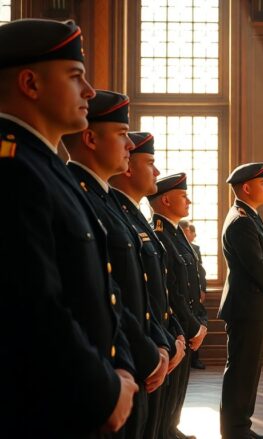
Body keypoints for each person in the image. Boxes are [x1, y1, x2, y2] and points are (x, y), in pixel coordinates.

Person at [0, 18, 137, 436]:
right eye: (76, 77)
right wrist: (103, 390)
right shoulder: (14, 169)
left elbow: (101, 289)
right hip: (46, 409)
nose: (90, 92)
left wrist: (120, 369)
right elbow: (32, 304)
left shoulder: (46, 166)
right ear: (30, 83)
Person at [64, 90, 169, 439]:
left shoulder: (109, 202)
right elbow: (100, 294)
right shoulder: (79, 194)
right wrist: (138, 357)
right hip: (110, 369)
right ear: (90, 138)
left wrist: (162, 344)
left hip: (132, 359)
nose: (129, 145)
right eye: (122, 135)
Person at [111, 131, 187, 439]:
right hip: (134, 357)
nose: (157, 171)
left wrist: (173, 338)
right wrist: (154, 350)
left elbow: (158, 292)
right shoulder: (116, 213)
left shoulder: (135, 216)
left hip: (155, 348)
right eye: (151, 162)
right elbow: (117, 295)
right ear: (128, 168)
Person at [219, 162, 263, 439]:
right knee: (241, 373)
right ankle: (235, 431)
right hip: (247, 307)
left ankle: (241, 428)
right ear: (246, 187)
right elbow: (255, 266)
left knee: (247, 372)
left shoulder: (250, 216)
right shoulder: (241, 221)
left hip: (254, 306)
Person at [148, 173, 208, 439]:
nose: (189, 201)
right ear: (166, 200)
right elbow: (171, 290)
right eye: (183, 196)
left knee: (180, 387)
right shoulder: (160, 235)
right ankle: (165, 431)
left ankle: (172, 428)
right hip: (174, 326)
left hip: (188, 325)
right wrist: (193, 326)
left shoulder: (176, 234)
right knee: (169, 390)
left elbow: (193, 282)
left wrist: (200, 322)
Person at [180, 220, 208, 370]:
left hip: (196, 294)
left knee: (197, 324)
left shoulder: (195, 248)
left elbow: (200, 272)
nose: (191, 235)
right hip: (183, 293)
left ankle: (195, 358)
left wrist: (203, 289)